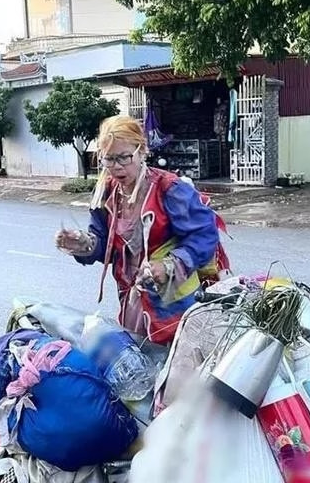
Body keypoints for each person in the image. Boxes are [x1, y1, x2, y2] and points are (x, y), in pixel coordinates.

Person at [55, 115, 228, 346]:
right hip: (134, 301)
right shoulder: (107, 192)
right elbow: (102, 243)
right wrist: (84, 244)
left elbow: (204, 235)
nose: (116, 166)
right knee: (142, 364)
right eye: (108, 159)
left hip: (176, 304)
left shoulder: (169, 189)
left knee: (180, 366)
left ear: (142, 151)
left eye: (124, 157)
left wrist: (170, 265)